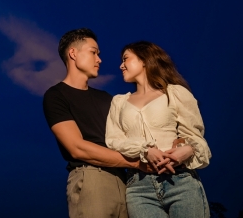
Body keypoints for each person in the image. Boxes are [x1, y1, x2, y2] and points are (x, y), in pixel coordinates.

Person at [43, 28, 160, 218]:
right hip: (92, 178)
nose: (99, 59)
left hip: (126, 181)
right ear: (73, 53)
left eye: (99, 54)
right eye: (93, 52)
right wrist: (138, 163)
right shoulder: (56, 96)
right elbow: (77, 148)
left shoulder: (108, 99)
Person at [105, 41, 212, 218]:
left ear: (145, 60)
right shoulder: (119, 102)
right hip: (139, 188)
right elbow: (114, 140)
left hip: (181, 180)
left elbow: (195, 136)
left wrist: (185, 151)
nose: (121, 65)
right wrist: (145, 151)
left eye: (126, 59)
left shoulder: (175, 93)